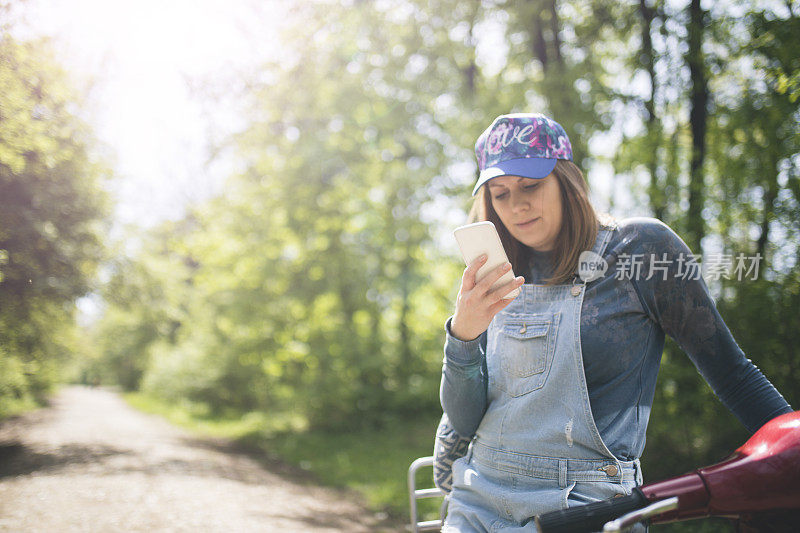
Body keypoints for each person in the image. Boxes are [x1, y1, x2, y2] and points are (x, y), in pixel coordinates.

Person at [437, 112, 793, 532]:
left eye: (531, 185)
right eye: (500, 193)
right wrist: (462, 336)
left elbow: (733, 375)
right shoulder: (497, 270)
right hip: (478, 500)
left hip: (585, 508)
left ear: (567, 180)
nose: (517, 206)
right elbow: (462, 420)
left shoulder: (640, 251)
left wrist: (791, 454)